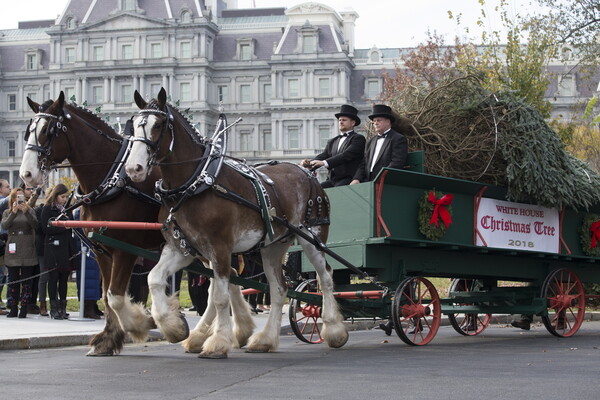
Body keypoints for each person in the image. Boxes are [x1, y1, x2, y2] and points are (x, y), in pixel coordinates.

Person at [301, 104, 366, 187]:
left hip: (348, 179)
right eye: (339, 120)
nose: (341, 122)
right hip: (332, 180)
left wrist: (324, 163)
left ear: (353, 123)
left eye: (344, 120)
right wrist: (309, 163)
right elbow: (323, 156)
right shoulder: (333, 141)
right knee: (316, 190)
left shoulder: (358, 139)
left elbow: (346, 155)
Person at [1, 187, 38, 318]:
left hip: (27, 245)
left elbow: (35, 225)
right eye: (17, 197)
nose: (20, 199)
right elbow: (5, 226)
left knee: (27, 280)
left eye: (22, 197)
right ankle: (13, 306)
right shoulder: (7, 211)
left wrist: (26, 211)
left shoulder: (30, 210)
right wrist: (14, 212)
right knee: (13, 280)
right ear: (13, 199)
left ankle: (24, 307)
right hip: (13, 245)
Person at [40, 184, 75, 320]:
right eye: (62, 197)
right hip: (53, 248)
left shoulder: (67, 209)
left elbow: (72, 225)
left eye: (66, 197)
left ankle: (63, 307)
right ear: (55, 196)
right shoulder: (48, 209)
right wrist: (64, 227)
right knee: (53, 279)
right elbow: (45, 228)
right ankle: (54, 308)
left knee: (64, 280)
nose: (65, 199)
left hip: (66, 248)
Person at [350, 104, 408, 184]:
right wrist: (357, 178)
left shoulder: (398, 139)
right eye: (374, 121)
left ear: (388, 122)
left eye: (379, 120)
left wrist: (381, 178)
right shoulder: (371, 141)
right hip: (367, 181)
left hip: (385, 181)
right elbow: (364, 163)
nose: (375, 123)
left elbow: (397, 163)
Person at [73, 208, 103, 319]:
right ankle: (87, 307)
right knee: (88, 279)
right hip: (86, 249)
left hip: (92, 248)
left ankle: (93, 304)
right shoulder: (79, 212)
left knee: (95, 279)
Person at [22, 184, 42, 315]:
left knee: (35, 276)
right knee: (24, 277)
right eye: (28, 189)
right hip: (23, 246)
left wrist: (37, 193)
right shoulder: (13, 209)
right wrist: (37, 193)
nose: (31, 191)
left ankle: (32, 302)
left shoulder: (31, 208)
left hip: (34, 246)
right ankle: (24, 302)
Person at [0, 179, 12, 312]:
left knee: (3, 274)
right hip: (1, 243)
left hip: (4, 243)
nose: (9, 189)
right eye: (7, 187)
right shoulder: (2, 202)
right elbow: (4, 202)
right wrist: (14, 194)